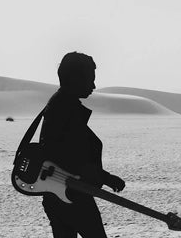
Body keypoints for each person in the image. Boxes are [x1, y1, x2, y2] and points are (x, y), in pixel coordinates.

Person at [39, 52, 126, 238]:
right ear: (74, 78)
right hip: (71, 196)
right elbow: (68, 157)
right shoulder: (63, 108)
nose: (93, 85)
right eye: (90, 79)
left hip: (61, 194)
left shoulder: (61, 104)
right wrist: (106, 178)